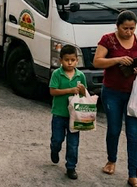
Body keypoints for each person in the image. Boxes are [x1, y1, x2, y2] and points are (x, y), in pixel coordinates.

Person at [92, 11, 137, 187]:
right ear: (117, 26)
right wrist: (117, 59)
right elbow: (97, 62)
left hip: (136, 94)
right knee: (114, 129)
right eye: (125, 28)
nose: (128, 32)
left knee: (133, 134)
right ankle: (111, 160)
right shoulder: (108, 39)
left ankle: (133, 174)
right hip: (112, 92)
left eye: (132, 28)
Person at [49, 44, 87, 180]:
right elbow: (53, 91)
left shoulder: (80, 75)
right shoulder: (57, 74)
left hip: (74, 116)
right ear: (61, 60)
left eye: (72, 60)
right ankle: (54, 149)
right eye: (66, 60)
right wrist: (69, 91)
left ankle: (71, 167)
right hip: (59, 114)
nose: (69, 63)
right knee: (57, 139)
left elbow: (84, 94)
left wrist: (82, 91)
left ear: (77, 60)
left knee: (73, 144)